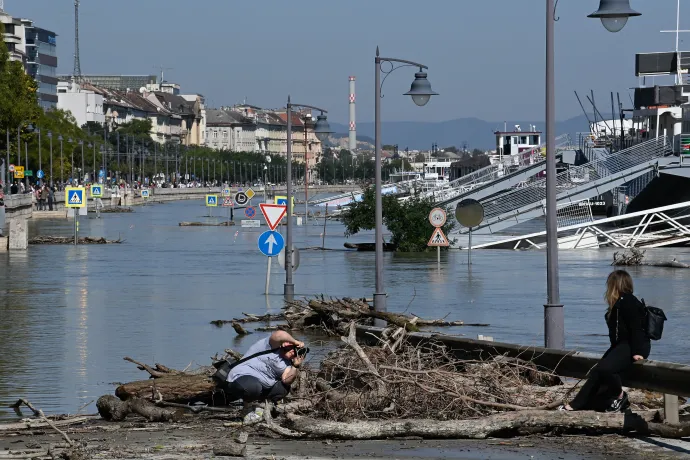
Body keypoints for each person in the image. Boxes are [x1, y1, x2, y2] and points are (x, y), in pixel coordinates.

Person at [559, 270, 651, 413]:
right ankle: (576, 405)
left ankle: (620, 396)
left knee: (605, 369)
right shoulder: (619, 303)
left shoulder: (629, 302)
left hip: (631, 345)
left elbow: (637, 329)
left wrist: (638, 352)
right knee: (597, 372)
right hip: (620, 345)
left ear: (615, 285)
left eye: (609, 284)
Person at [225, 331, 305, 423]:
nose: (293, 352)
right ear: (286, 344)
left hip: (261, 386)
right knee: (254, 387)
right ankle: (247, 408)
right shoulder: (270, 346)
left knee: (283, 388)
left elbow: (287, 380)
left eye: (296, 352)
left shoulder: (287, 364)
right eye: (292, 348)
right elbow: (279, 334)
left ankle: (261, 407)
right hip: (240, 377)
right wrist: (296, 342)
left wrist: (295, 366)